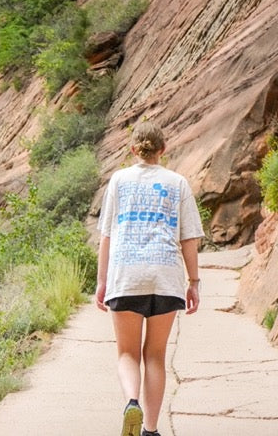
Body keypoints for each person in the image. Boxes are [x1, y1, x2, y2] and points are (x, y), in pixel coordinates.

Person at [95, 122, 204, 436]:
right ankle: (151, 430)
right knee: (155, 355)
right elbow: (189, 239)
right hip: (165, 275)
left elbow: (106, 236)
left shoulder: (118, 180)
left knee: (127, 353)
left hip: (126, 275)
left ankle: (132, 402)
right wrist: (193, 282)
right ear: (163, 150)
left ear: (133, 150)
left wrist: (102, 282)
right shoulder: (177, 182)